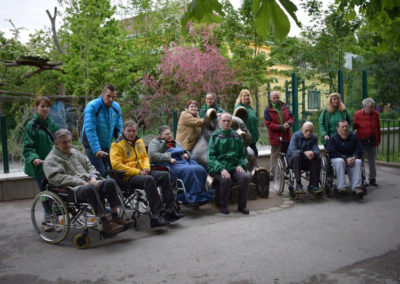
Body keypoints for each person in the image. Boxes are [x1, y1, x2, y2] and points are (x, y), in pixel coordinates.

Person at [43, 129, 133, 236]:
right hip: (72, 189)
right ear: (56, 143)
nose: (68, 145)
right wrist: (80, 181)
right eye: (64, 143)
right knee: (90, 189)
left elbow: (89, 166)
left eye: (69, 141)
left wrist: (93, 177)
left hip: (89, 182)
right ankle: (104, 223)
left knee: (110, 182)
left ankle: (115, 216)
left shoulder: (75, 153)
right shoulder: (51, 160)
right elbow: (56, 178)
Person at [110, 121, 183, 227]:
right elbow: (117, 166)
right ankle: (156, 215)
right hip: (127, 177)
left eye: (134, 131)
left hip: (143, 171)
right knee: (148, 179)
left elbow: (145, 156)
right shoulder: (116, 145)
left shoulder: (139, 141)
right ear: (123, 131)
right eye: (129, 131)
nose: (131, 133)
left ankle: (170, 210)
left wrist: (146, 168)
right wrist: (138, 171)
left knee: (164, 175)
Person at [148, 125, 215, 206]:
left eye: (170, 133)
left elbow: (184, 151)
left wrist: (186, 154)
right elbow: (152, 156)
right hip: (170, 163)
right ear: (159, 135)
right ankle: (190, 197)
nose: (169, 136)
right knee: (190, 170)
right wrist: (169, 158)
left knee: (200, 168)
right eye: (166, 134)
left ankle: (199, 195)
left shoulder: (176, 143)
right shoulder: (155, 142)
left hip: (182, 161)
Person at [208, 113, 250, 215]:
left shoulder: (237, 136)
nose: (226, 123)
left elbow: (242, 155)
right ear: (220, 122)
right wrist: (221, 169)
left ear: (231, 122)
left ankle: (242, 206)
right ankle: (223, 205)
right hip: (218, 168)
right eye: (224, 121)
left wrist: (241, 164)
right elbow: (212, 157)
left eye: (228, 121)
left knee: (245, 177)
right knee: (226, 179)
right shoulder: (214, 137)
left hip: (234, 167)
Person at [82, 84, 123, 177]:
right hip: (92, 145)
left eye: (113, 97)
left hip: (106, 145)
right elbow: (90, 130)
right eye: (108, 96)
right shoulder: (92, 106)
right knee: (99, 173)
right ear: (102, 94)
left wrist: (121, 146)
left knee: (109, 171)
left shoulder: (116, 107)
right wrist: (96, 150)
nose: (111, 100)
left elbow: (119, 129)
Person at [23, 96, 59, 190]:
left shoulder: (52, 124)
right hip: (40, 166)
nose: (45, 109)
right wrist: (34, 158)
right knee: (45, 194)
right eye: (42, 106)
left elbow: (58, 141)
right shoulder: (31, 125)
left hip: (52, 164)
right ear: (36, 107)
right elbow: (27, 147)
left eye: (48, 106)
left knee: (56, 193)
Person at [326, 120, 364, 195]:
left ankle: (356, 187)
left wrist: (354, 157)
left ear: (349, 127)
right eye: (342, 127)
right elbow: (333, 152)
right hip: (338, 159)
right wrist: (345, 158)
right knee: (340, 161)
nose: (345, 128)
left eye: (346, 126)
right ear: (338, 128)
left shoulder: (354, 137)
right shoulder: (333, 138)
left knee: (358, 162)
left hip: (351, 159)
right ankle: (341, 187)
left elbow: (359, 149)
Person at [286, 122, 322, 194]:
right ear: (302, 129)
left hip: (306, 162)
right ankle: (298, 184)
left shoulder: (314, 137)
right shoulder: (295, 135)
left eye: (311, 131)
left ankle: (313, 185)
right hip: (293, 161)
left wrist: (313, 153)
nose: (308, 133)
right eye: (306, 130)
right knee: (296, 156)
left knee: (317, 158)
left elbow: (317, 150)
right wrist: (304, 153)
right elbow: (292, 150)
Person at [264, 91, 294, 172]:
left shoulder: (285, 106)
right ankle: (272, 173)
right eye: (274, 98)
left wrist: (288, 123)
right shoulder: (268, 110)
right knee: (275, 155)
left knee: (286, 154)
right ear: (271, 99)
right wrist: (281, 127)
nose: (276, 99)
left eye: (277, 97)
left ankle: (285, 172)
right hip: (275, 136)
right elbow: (269, 124)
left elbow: (291, 117)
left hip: (286, 135)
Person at [353, 98, 381, 186]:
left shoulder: (376, 114)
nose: (372, 108)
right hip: (362, 141)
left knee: (372, 161)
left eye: (373, 106)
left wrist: (378, 140)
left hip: (372, 141)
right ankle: (361, 179)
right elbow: (354, 127)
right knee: (360, 161)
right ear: (364, 107)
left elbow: (378, 128)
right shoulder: (357, 114)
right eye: (370, 107)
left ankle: (372, 179)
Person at [234, 89, 259, 157]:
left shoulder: (251, 108)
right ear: (240, 97)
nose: (246, 97)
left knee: (254, 155)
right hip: (244, 138)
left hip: (253, 138)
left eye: (248, 95)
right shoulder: (238, 108)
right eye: (244, 96)